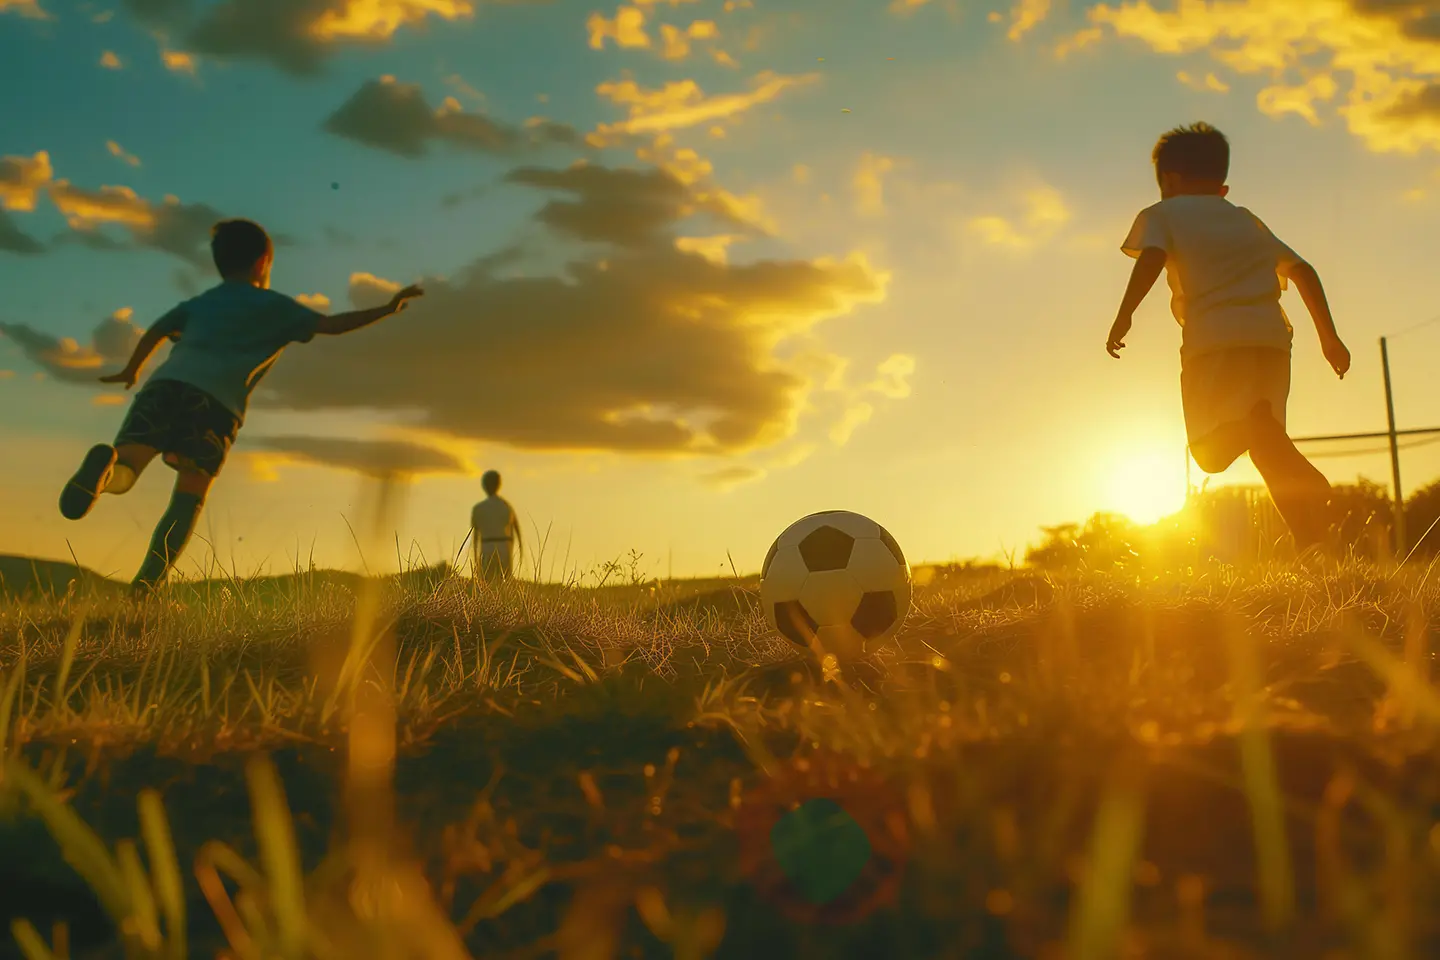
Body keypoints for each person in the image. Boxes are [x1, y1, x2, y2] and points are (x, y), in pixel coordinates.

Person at [60, 218, 424, 594]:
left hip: (164, 388)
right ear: (263, 262)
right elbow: (332, 325)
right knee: (188, 496)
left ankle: (103, 472)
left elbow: (156, 329)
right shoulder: (275, 307)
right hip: (216, 405)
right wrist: (386, 308)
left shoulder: (202, 302)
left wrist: (131, 369)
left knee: (126, 467)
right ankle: (147, 584)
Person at [1106, 122, 1351, 553]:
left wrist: (1125, 315)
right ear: (1222, 186)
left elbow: (1153, 257)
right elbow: (1302, 270)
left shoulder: (1162, 214)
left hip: (1214, 342)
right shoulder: (1245, 220)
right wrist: (1329, 339)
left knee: (1209, 454)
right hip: (1272, 342)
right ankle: (1311, 545)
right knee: (1268, 446)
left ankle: (1268, 442)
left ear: (1169, 181)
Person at [471, 470, 522, 581]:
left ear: (484, 486)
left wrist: (475, 560)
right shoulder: (506, 507)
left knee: (485, 581)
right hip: (504, 546)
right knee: (505, 581)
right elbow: (515, 532)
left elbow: (475, 536)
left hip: (486, 546)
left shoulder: (478, 509)